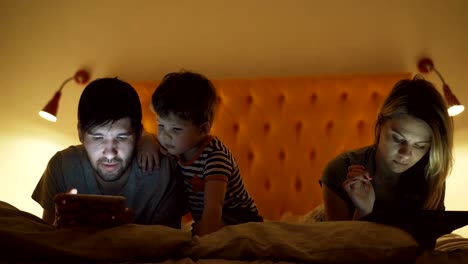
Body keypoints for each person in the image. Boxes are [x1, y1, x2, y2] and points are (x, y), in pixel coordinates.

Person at [32, 77, 184, 228]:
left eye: (122, 137)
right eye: (98, 138)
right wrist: (61, 230)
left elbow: (169, 246)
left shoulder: (165, 172)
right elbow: (47, 236)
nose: (110, 154)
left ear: (139, 134)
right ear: (80, 133)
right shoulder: (62, 166)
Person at [320, 75, 453, 221]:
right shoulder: (340, 170)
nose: (405, 154)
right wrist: (364, 211)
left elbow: (427, 239)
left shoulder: (431, 174)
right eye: (397, 139)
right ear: (380, 126)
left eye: (420, 146)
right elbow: (341, 242)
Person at [151, 70, 262, 236]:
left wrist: (201, 239)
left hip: (238, 218)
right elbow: (147, 139)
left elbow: (214, 207)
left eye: (176, 129)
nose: (165, 135)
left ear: (203, 129)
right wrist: (147, 142)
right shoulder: (176, 147)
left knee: (214, 233)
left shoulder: (215, 157)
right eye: (160, 125)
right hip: (207, 217)